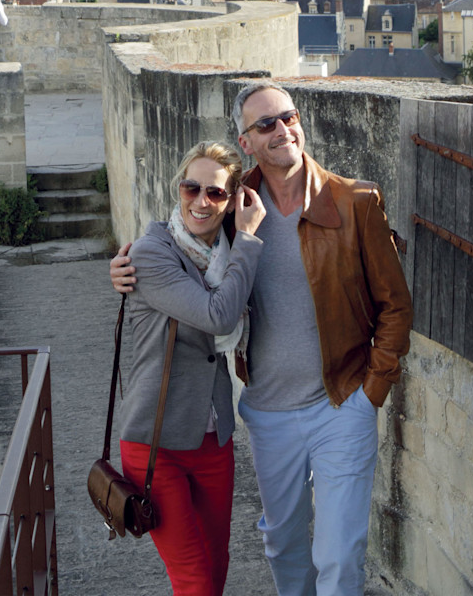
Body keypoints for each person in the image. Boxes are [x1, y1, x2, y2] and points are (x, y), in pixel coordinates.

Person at [111, 82, 412, 596]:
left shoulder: (353, 202)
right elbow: (179, 245)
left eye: (288, 117)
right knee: (283, 545)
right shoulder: (232, 206)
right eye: (266, 124)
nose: (282, 130)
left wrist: (371, 393)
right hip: (269, 413)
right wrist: (121, 268)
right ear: (245, 141)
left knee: (339, 556)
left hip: (342, 404)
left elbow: (395, 305)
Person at [116, 140, 266, 596]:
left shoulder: (226, 254)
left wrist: (241, 244)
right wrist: (249, 239)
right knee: (194, 581)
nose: (201, 201)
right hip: (156, 442)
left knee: (216, 567)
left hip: (213, 438)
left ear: (233, 198)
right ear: (178, 188)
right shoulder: (150, 252)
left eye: (216, 193)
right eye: (191, 187)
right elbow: (219, 316)